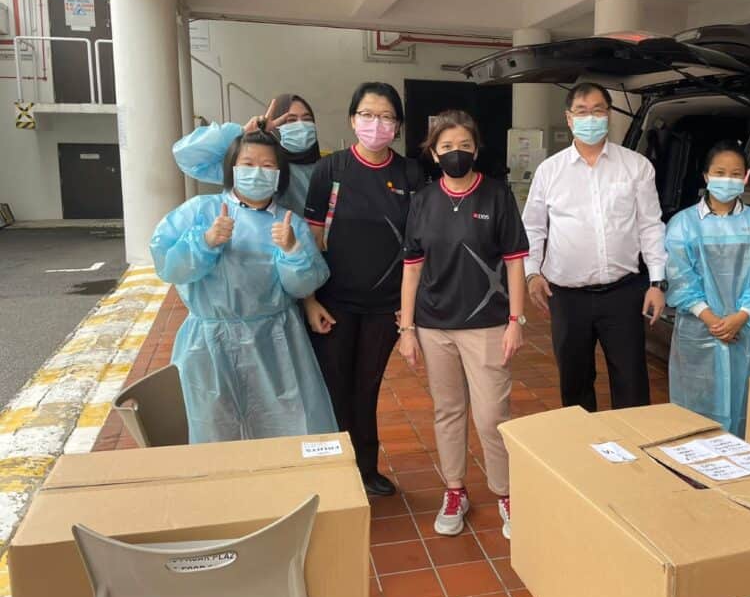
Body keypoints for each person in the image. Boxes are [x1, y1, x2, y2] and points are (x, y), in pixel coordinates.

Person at [150, 130, 337, 443]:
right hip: (210, 341)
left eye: (268, 165)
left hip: (275, 338)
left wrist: (292, 250)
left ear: (280, 174)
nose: (258, 172)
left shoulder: (289, 223)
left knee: (286, 423)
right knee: (214, 425)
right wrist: (206, 242)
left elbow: (302, 284)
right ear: (231, 168)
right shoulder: (200, 211)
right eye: (248, 163)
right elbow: (169, 266)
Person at [398, 110, 528, 540]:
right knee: (448, 412)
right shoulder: (423, 200)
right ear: (433, 153)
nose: (457, 154)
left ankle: (506, 493)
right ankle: (455, 490)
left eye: (465, 146)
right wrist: (408, 329)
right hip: (435, 327)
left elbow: (514, 263)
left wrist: (515, 320)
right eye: (448, 147)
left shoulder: (496, 196)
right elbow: (412, 269)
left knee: (492, 416)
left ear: (477, 149)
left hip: (487, 325)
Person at [303, 82, 423, 497]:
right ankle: (336, 470)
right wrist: (310, 300)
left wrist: (409, 313)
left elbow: (422, 247)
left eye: (386, 116)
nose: (377, 124)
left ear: (398, 125)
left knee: (366, 386)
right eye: (368, 115)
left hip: (385, 307)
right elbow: (311, 241)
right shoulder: (330, 171)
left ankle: (366, 467)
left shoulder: (410, 174)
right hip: (333, 303)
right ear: (353, 120)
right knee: (334, 385)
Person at [522, 82, 667, 412]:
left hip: (623, 293)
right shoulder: (550, 171)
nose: (591, 118)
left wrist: (657, 282)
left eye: (598, 110)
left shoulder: (636, 166)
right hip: (567, 296)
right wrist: (532, 274)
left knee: (631, 381)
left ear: (609, 115)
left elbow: (650, 226)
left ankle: (634, 453)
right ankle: (582, 455)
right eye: (582, 111)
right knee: (575, 383)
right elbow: (533, 227)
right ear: (569, 118)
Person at [665, 141, 750, 436]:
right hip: (698, 331)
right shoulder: (683, 224)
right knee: (695, 406)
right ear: (706, 175)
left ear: (746, 178)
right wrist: (711, 319)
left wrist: (742, 315)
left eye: (735, 173)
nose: (728, 179)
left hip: (748, 330)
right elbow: (681, 278)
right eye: (720, 172)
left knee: (747, 405)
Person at [173, 93, 321, 214]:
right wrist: (243, 131)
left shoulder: (326, 168)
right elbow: (187, 156)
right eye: (291, 120)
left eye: (307, 119)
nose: (301, 125)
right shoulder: (250, 163)